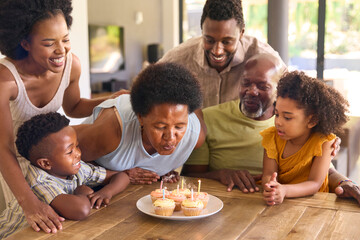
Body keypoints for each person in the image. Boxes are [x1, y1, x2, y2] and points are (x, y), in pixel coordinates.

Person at [0, 0, 123, 234]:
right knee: (28, 228)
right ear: (24, 43)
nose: (61, 50)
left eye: (65, 39)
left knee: (64, 226)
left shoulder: (71, 64)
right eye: (49, 43)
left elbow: (74, 107)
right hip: (15, 167)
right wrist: (30, 203)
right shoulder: (5, 80)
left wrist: (111, 99)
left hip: (51, 160)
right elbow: (3, 148)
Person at [182, 54, 360, 206]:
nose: (252, 91)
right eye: (246, 83)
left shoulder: (319, 138)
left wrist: (346, 182)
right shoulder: (271, 135)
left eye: (263, 86)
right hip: (254, 201)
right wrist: (270, 185)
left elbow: (319, 178)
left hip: (312, 205)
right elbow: (189, 176)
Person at [0, 112, 129, 238]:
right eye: (70, 151)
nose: (78, 153)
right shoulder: (39, 181)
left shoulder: (75, 168)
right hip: (12, 234)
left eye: (77, 146)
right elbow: (81, 210)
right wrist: (82, 192)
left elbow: (121, 176)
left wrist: (107, 192)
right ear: (45, 163)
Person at [74, 62, 206, 185]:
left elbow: (198, 112)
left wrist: (162, 168)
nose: (170, 137)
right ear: (141, 118)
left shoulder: (194, 135)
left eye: (179, 126)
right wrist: (117, 176)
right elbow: (57, 155)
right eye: (160, 127)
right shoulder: (111, 132)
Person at [159, 0, 285, 108]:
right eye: (209, 40)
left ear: (241, 33)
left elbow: (295, 99)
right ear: (202, 30)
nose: (217, 50)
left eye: (226, 42)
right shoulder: (178, 58)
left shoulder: (264, 56)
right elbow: (146, 91)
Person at [261, 71, 348, 205]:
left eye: (287, 117)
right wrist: (271, 186)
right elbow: (268, 174)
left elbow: (314, 184)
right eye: (277, 114)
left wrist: (284, 190)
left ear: (312, 120)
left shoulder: (324, 142)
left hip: (315, 205)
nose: (278, 122)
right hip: (280, 203)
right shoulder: (271, 137)